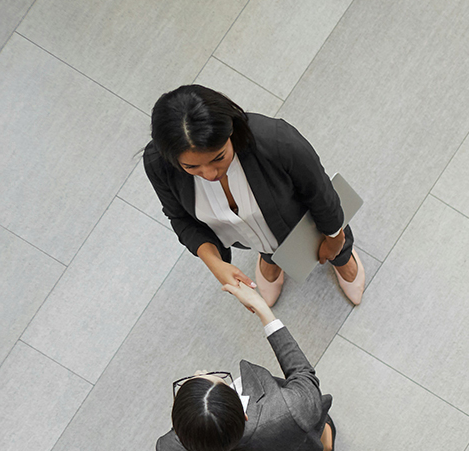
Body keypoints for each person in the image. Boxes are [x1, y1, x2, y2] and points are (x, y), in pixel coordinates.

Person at [145, 84, 365, 306]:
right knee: (262, 236)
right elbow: (180, 218)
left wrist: (335, 239)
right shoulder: (157, 164)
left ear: (231, 131)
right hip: (248, 236)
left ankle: (343, 257)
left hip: (302, 222)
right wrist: (216, 265)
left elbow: (319, 192)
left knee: (332, 238)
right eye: (191, 167)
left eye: (218, 157)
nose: (210, 174)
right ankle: (270, 256)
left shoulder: (278, 140)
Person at [159, 280, 336, 451]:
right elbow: (303, 375)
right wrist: (262, 309)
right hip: (299, 440)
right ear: (244, 415)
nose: (200, 371)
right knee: (315, 433)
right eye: (216, 378)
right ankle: (324, 449)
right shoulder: (290, 411)